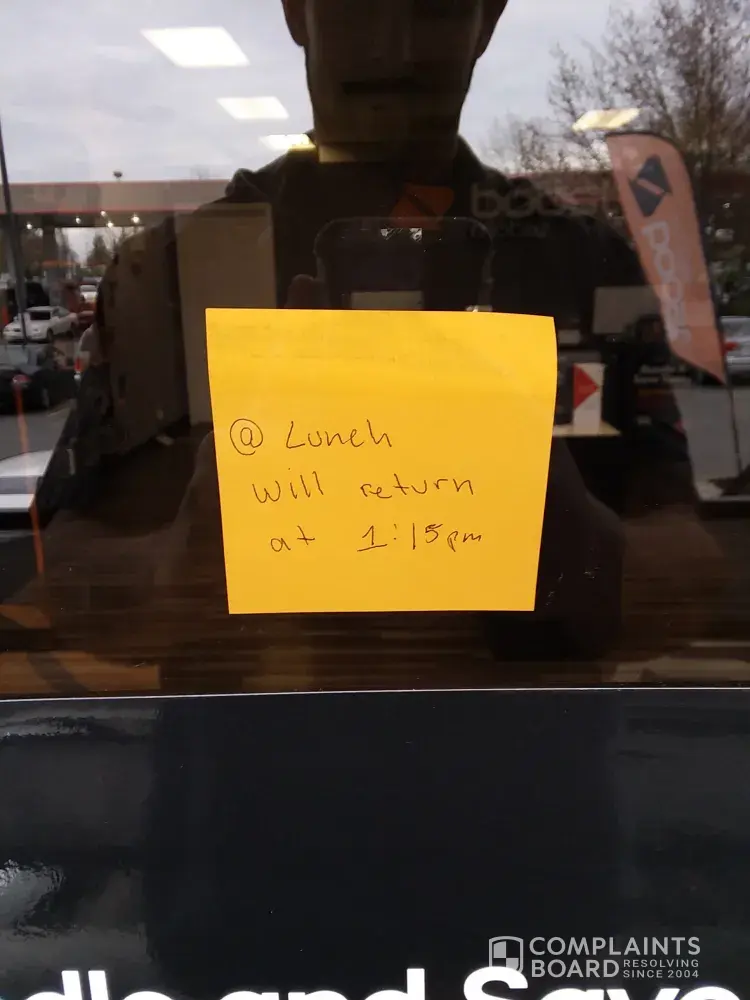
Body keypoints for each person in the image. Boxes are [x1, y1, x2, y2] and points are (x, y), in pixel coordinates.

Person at [33, 0, 721, 678]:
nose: (394, 47)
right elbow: (63, 574)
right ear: (296, 11)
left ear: (489, 17)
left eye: (435, 8)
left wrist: (578, 544)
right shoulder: (173, 273)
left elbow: (695, 561)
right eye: (356, 5)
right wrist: (181, 565)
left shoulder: (583, 262)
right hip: (501, 732)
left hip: (285, 735)